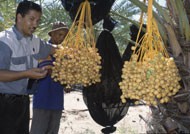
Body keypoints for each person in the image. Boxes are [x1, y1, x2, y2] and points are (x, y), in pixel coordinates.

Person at [0, 1, 56, 134]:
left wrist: (77, 52)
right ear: (19, 17)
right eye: (31, 19)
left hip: (23, 102)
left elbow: (55, 50)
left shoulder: (35, 41)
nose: (35, 24)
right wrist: (26, 73)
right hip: (4, 103)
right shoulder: (5, 41)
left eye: (38, 20)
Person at [30, 21, 69, 134]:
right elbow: (48, 70)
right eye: (59, 34)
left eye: (64, 35)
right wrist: (67, 76)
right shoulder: (43, 49)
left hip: (57, 102)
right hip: (43, 100)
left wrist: (67, 83)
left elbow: (64, 77)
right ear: (51, 34)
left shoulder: (63, 53)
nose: (62, 38)